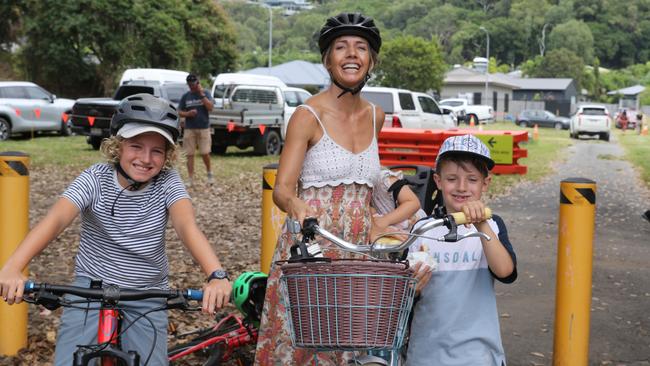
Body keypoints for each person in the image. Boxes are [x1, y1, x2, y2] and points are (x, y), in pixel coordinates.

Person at [0, 94, 231, 365]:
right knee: (69, 360)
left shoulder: (168, 182)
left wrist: (215, 274)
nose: (145, 158)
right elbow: (56, 221)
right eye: (136, 146)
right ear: (117, 146)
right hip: (92, 286)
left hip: (147, 289)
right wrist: (14, 267)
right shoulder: (95, 178)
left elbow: (186, 226)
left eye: (157, 150)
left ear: (167, 155)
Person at [253, 12, 431, 365]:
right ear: (327, 59)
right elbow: (283, 189)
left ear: (372, 60)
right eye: (341, 47)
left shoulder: (375, 115)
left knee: (350, 343)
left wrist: (383, 222)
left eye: (361, 47)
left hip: (357, 248)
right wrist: (299, 208)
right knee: (300, 344)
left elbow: (371, 180)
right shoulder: (307, 115)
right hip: (313, 245)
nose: (351, 54)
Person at [406, 134, 517, 366]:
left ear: (485, 183)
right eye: (452, 178)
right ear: (438, 180)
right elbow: (407, 294)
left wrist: (481, 224)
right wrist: (413, 289)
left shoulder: (492, 225)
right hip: (426, 354)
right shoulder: (422, 229)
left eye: (472, 179)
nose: (462, 187)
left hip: (478, 355)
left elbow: (506, 272)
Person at [178, 73, 215, 186]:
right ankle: (190, 179)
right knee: (189, 154)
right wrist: (187, 114)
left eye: (193, 84)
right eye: (189, 85)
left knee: (205, 153)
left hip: (204, 128)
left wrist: (201, 94)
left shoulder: (206, 93)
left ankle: (209, 173)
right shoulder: (186, 96)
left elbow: (210, 108)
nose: (191, 87)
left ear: (198, 83)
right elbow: (179, 111)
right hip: (190, 129)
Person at [370, 167, 427, 240]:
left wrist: (384, 220)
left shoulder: (383, 180)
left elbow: (413, 203)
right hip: (387, 234)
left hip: (414, 227)